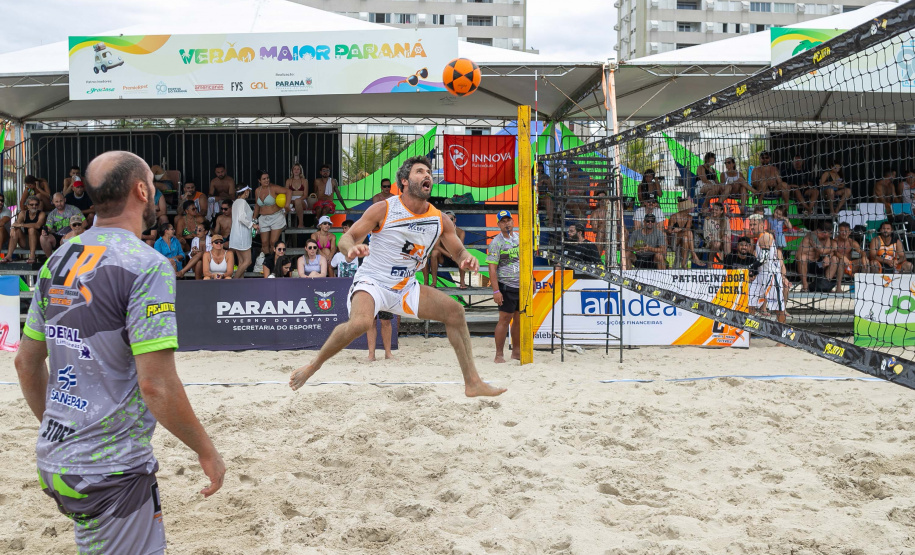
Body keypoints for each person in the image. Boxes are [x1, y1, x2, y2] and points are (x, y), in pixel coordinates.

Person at [15, 150, 224, 555]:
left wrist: (65, 430)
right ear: (142, 190)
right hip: (110, 471)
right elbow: (156, 384)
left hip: (56, 460)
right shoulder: (147, 265)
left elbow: (26, 363)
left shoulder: (58, 259)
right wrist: (207, 451)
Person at [289, 155, 505, 397]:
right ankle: (313, 365)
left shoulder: (439, 219)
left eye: (429, 172)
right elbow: (349, 237)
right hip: (373, 281)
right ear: (404, 180)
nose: (427, 175)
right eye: (420, 171)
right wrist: (350, 249)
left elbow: (458, 250)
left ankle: (473, 382)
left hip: (405, 287)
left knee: (455, 312)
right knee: (360, 323)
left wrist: (466, 257)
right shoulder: (384, 209)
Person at [487, 210, 521, 364]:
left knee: (519, 320)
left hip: (521, 284)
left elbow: (526, 260)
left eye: (509, 220)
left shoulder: (520, 238)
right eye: (503, 221)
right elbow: (492, 269)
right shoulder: (496, 243)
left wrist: (532, 278)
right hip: (506, 285)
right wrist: (496, 291)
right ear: (498, 224)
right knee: (504, 319)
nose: (507, 223)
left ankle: (516, 352)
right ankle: (499, 355)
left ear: (513, 222)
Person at [747, 214, 787, 323]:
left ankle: (783, 336)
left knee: (778, 307)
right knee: (750, 302)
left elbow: (763, 259)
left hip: (771, 275)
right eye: (750, 224)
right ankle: (748, 334)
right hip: (761, 275)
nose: (752, 227)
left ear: (762, 225)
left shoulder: (765, 236)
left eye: (754, 224)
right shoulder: (759, 238)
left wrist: (750, 269)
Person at [253, 170, 290, 260]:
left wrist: (287, 206)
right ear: (259, 180)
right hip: (263, 218)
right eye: (264, 179)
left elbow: (288, 191)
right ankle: (267, 263)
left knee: (273, 242)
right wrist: (254, 219)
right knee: (264, 243)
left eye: (268, 178)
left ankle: (275, 263)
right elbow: (257, 205)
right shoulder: (257, 191)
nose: (267, 180)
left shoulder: (273, 188)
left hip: (276, 217)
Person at [424, 211, 467, 287]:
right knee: (434, 253)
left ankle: (462, 282)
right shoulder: (440, 231)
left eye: (451, 219)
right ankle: (434, 282)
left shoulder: (460, 232)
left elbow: (460, 247)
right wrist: (450, 255)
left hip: (455, 258)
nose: (449, 221)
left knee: (462, 256)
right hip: (444, 257)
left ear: (454, 220)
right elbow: (436, 246)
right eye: (446, 219)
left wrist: (454, 255)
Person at [796, 222, 838, 291]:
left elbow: (828, 252)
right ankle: (805, 285)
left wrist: (827, 256)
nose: (829, 236)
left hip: (817, 264)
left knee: (835, 259)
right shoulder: (812, 235)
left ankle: (824, 285)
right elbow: (822, 251)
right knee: (802, 257)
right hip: (803, 264)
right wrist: (834, 248)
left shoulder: (826, 238)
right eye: (828, 234)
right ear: (822, 232)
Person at [40, 193, 84, 257]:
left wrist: (69, 234)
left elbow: (84, 223)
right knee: (43, 238)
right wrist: (45, 231)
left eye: (61, 201)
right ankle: (50, 261)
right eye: (56, 202)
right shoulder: (52, 214)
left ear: (65, 200)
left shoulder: (73, 209)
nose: (59, 204)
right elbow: (49, 227)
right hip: (58, 236)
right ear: (53, 202)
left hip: (73, 235)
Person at [5, 195, 46, 263]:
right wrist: (12, 228)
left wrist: (21, 225)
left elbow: (38, 225)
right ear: (27, 205)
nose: (34, 206)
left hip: (38, 242)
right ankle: (9, 256)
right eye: (31, 204)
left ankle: (32, 256)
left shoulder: (41, 214)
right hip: (26, 242)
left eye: (36, 204)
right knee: (16, 231)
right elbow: (16, 223)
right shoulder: (23, 213)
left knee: (32, 229)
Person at [667, 198, 705, 268]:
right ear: (685, 208)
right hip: (674, 240)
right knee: (689, 233)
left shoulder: (689, 217)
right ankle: (694, 256)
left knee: (685, 238)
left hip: (684, 238)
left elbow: (687, 228)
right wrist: (674, 231)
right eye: (689, 207)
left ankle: (684, 263)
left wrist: (679, 229)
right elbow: (669, 230)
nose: (691, 208)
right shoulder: (674, 217)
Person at [229, 186, 256, 279]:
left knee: (241, 262)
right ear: (245, 192)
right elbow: (241, 218)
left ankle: (240, 284)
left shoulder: (235, 202)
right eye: (248, 191)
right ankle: (235, 281)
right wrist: (252, 225)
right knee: (248, 261)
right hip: (242, 235)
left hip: (236, 234)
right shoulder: (242, 202)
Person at [834, 222, 866, 293]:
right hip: (837, 266)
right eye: (842, 231)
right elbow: (834, 251)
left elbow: (862, 252)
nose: (844, 233)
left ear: (849, 232)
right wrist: (842, 257)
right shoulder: (835, 241)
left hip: (849, 266)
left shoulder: (852, 242)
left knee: (866, 261)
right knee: (841, 260)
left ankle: (863, 288)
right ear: (838, 232)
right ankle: (838, 288)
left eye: (846, 231)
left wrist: (863, 257)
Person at [286, 162, 309, 228]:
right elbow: (286, 193)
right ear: (292, 171)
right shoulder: (288, 181)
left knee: (297, 201)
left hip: (302, 201)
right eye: (294, 169)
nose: (296, 170)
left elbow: (305, 195)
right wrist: (290, 201)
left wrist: (297, 200)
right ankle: (283, 224)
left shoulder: (304, 181)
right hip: (290, 201)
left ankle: (301, 223)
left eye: (298, 169)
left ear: (300, 171)